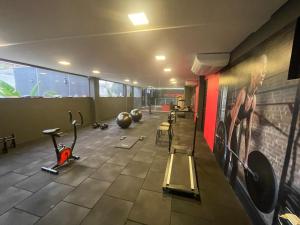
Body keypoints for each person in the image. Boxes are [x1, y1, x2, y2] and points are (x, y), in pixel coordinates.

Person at [225, 54, 267, 184]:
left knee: (238, 159)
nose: (263, 75)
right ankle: (226, 175)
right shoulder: (242, 94)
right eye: (260, 72)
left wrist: (246, 158)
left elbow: (248, 131)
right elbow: (232, 121)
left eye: (264, 73)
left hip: (236, 124)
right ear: (253, 75)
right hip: (229, 122)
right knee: (233, 158)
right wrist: (228, 142)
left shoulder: (253, 100)